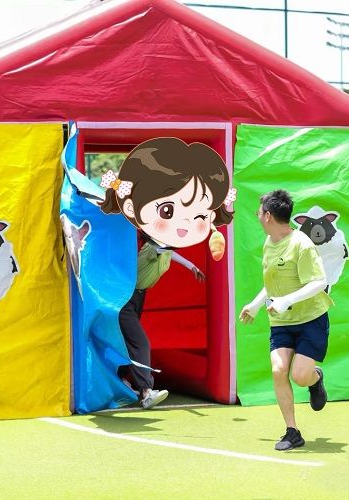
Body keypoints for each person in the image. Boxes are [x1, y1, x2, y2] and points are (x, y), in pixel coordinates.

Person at [100, 137, 235, 409]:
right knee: (140, 342)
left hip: (137, 297)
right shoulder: (145, 243)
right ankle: (146, 390)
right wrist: (117, 186)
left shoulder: (160, 245)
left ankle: (126, 382)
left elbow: (168, 252)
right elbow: (158, 247)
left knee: (127, 342)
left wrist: (191, 266)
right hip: (123, 299)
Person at [239, 189, 331, 451]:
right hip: (281, 322)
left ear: (268, 215)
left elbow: (319, 282)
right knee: (278, 370)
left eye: (259, 212)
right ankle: (292, 431)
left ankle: (315, 379)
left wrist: (286, 300)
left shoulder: (302, 244)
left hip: (311, 319)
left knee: (300, 376)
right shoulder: (269, 243)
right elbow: (272, 282)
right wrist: (256, 304)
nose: (257, 216)